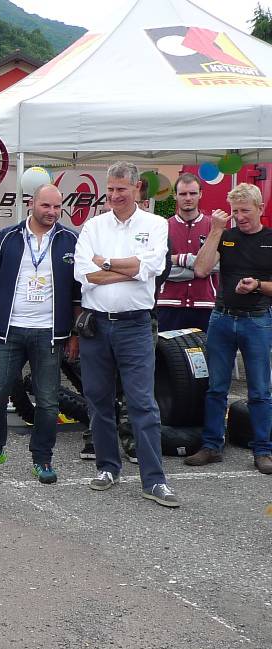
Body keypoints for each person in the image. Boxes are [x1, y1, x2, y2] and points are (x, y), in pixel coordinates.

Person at [73, 161, 179, 508]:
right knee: (98, 399)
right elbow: (84, 274)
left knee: (142, 403)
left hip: (135, 325)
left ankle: (154, 480)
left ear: (137, 190)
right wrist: (128, 270)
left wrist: (107, 264)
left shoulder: (156, 224)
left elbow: (151, 267)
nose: (115, 195)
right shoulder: (92, 226)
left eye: (121, 189)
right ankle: (107, 467)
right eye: (111, 189)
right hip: (96, 324)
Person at [0, 184, 81, 484]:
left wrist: (75, 334)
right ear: (31, 204)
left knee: (48, 402)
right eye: (46, 206)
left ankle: (42, 459)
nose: (52, 213)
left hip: (50, 334)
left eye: (58, 207)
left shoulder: (71, 240)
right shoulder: (6, 239)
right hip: (9, 332)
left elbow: (78, 295)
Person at [188, 183, 272, 474]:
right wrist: (215, 230)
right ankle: (212, 446)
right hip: (222, 317)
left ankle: (263, 450)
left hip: (257, 319)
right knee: (216, 388)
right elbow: (200, 269)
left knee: (260, 390)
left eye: (245, 211)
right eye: (235, 211)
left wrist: (258, 286)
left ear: (260, 208)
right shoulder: (226, 235)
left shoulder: (270, 239)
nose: (239, 217)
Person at [156, 172, 218, 333]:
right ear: (175, 196)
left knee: (206, 356)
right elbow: (159, 267)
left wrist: (179, 259)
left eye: (193, 193)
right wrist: (199, 269)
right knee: (167, 357)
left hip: (205, 305)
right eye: (183, 194)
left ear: (200, 194)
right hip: (168, 304)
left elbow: (218, 265)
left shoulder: (214, 227)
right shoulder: (162, 227)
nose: (188, 198)